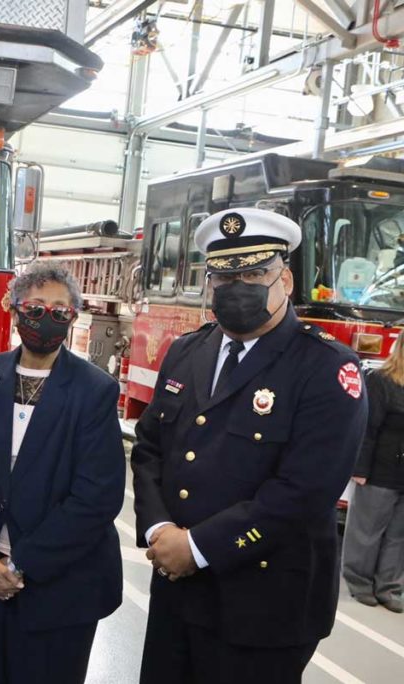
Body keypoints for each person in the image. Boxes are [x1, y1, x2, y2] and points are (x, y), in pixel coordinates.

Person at [131, 208, 368, 684]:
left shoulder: (326, 368)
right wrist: (159, 529)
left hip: (264, 604)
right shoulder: (186, 351)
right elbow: (150, 447)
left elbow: (305, 491)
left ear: (286, 280)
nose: (238, 287)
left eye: (256, 272)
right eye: (224, 276)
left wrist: (196, 547)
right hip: (178, 591)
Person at [0, 260, 125, 684]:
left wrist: (20, 564)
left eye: (61, 310)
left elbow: (96, 496)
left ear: (73, 318)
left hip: (59, 587)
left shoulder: (95, 391)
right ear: (16, 309)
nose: (48, 317)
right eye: (36, 306)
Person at [342, 338, 404, 613]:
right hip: (379, 470)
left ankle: (388, 587)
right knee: (366, 531)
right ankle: (359, 582)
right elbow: (367, 428)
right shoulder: (380, 380)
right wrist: (360, 469)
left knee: (398, 535)